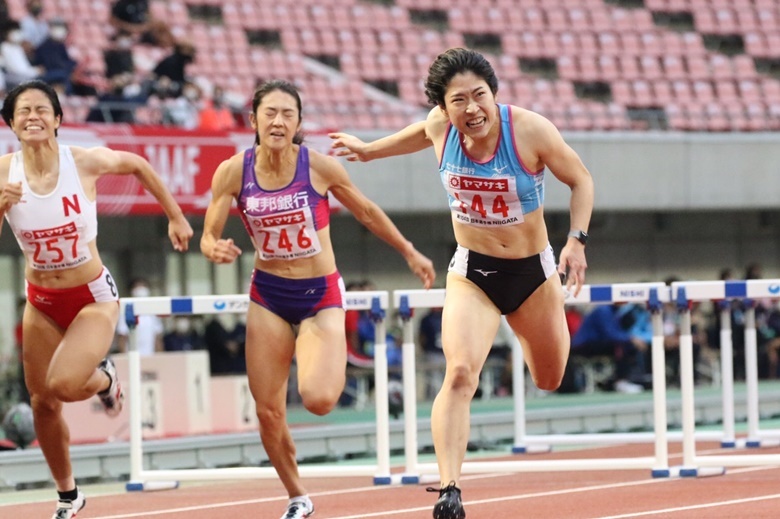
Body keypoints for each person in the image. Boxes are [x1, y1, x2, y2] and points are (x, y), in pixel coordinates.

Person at [330, 47, 593, 519]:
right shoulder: (440, 128)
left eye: (479, 96)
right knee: (459, 373)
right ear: (444, 107)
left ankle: (529, 336)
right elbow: (417, 134)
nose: (472, 109)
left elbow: (582, 180)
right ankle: (450, 488)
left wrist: (576, 240)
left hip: (532, 272)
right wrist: (370, 150)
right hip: (472, 272)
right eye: (458, 101)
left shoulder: (529, 130)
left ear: (494, 94)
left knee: (549, 377)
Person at [200, 79, 435, 519]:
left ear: (299, 123)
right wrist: (210, 245)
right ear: (252, 120)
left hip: (319, 294)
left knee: (319, 398)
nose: (278, 121)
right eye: (269, 112)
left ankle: (323, 367)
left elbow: (366, 211)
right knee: (268, 410)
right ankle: (297, 496)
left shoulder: (320, 168)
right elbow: (209, 232)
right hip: (268, 293)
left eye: (288, 114)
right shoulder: (233, 171)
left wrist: (409, 252)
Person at [0, 80, 192, 519]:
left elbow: (140, 165)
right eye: (23, 111)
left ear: (58, 119)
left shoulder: (83, 161)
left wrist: (176, 217)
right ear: (11, 123)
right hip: (41, 300)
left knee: (64, 385)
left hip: (91, 297)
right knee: (42, 403)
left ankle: (104, 378)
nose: (33, 116)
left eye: (41, 109)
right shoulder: (3, 173)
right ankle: (69, 495)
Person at [115, 278, 163, 356]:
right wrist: (124, 358)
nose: (141, 289)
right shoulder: (126, 311)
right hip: (132, 356)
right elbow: (122, 338)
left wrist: (159, 357)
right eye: (137, 287)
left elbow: (157, 338)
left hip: (150, 355)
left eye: (143, 286)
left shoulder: (153, 311)